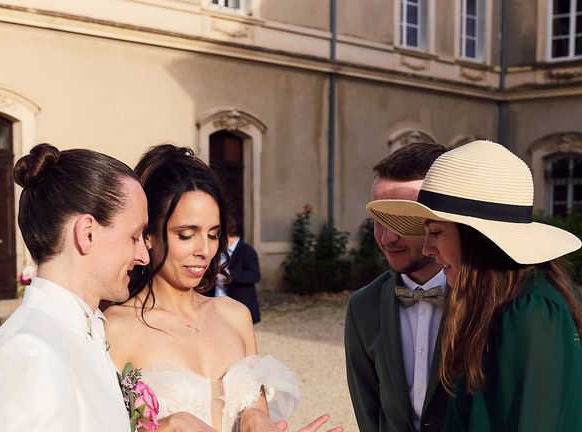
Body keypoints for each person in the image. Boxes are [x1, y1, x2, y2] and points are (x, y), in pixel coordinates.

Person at [105, 144, 341, 432]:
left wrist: (256, 416)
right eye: (187, 234)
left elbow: (258, 412)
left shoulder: (235, 315)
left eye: (214, 235)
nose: (204, 250)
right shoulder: (116, 328)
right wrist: (170, 424)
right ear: (149, 235)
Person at [367, 140, 582, 431]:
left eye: (436, 232)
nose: (428, 248)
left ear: (476, 236)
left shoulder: (531, 314)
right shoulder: (492, 307)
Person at [0, 143, 150, 431]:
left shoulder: (80, 332)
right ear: (87, 233)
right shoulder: (30, 353)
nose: (144, 256)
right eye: (134, 236)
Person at [345, 142, 450, 432]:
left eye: (404, 220)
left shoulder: (488, 297)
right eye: (380, 220)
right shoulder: (362, 306)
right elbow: (368, 412)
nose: (387, 237)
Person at [209, 216, 262, 323]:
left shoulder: (247, 251)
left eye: (215, 235)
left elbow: (254, 275)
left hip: (238, 305)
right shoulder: (217, 250)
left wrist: (227, 274)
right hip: (215, 305)